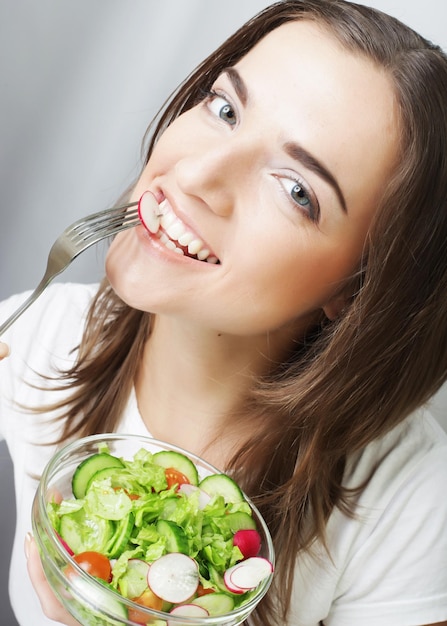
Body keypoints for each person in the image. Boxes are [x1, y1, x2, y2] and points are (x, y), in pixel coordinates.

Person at [1, 0, 447, 624]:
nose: (196, 175)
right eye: (225, 108)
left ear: (358, 287)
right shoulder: (33, 338)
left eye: (298, 191)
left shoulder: (411, 501)